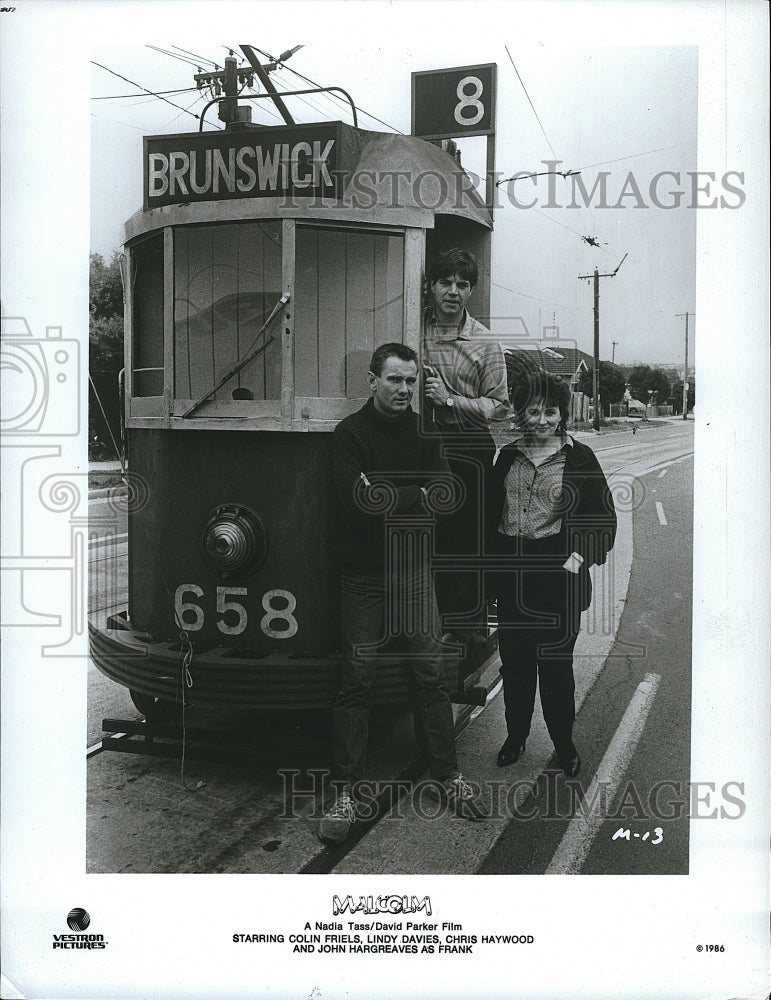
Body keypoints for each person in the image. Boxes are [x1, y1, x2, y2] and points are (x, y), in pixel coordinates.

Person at [319, 343, 480, 843]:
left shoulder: (423, 434)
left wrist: (390, 493)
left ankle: (447, 776)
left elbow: (448, 494)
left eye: (410, 382)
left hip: (413, 572)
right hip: (363, 576)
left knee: (432, 677)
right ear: (372, 381)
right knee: (356, 681)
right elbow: (360, 503)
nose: (403, 390)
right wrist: (415, 495)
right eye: (394, 380)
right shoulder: (350, 435)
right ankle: (346, 792)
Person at [489, 370, 617, 777]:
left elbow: (603, 523)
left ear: (561, 414)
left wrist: (575, 562)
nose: (541, 420)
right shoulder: (507, 457)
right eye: (533, 411)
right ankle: (516, 736)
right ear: (522, 413)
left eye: (549, 412)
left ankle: (564, 742)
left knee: (556, 668)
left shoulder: (579, 458)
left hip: (558, 577)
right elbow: (490, 520)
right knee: (515, 664)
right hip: (513, 575)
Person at [422, 248, 509, 639]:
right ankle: (424, 626)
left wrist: (451, 399)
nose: (453, 291)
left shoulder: (486, 343)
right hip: (422, 441)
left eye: (462, 284)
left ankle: (466, 630)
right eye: (446, 282)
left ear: (471, 291)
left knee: (465, 540)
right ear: (430, 286)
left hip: (466, 444)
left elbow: (500, 407)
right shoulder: (413, 327)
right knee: (422, 534)